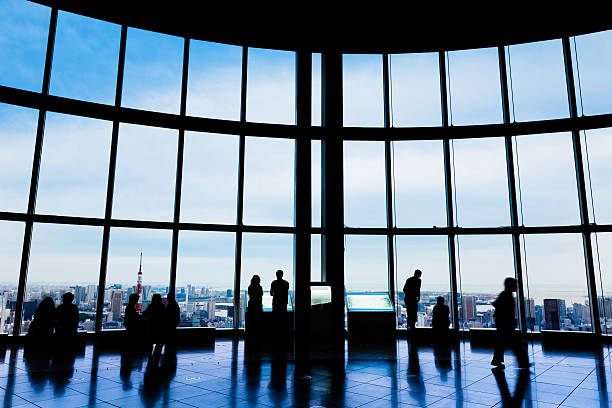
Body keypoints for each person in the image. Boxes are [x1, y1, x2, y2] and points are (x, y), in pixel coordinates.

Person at [491, 277, 530, 369]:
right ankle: (523, 362)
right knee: (515, 344)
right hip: (506, 324)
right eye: (514, 285)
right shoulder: (506, 295)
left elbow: (495, 304)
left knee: (503, 344)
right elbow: (497, 305)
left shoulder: (505, 294)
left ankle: (497, 360)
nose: (516, 286)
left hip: (503, 324)